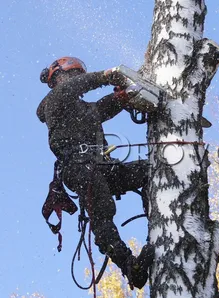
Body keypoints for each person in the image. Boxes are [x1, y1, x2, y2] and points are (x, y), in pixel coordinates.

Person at [37, 56, 154, 290]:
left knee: (148, 170)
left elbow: (101, 109)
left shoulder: (80, 109)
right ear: (61, 77)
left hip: (101, 166)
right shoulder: (54, 101)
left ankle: (159, 215)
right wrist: (105, 76)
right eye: (75, 75)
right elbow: (75, 88)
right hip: (79, 167)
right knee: (102, 211)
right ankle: (131, 267)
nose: (78, 80)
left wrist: (122, 97)